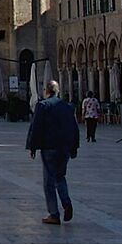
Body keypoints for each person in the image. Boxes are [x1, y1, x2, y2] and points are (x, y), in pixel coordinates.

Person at [26, 79, 79, 224]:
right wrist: (74, 147)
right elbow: (75, 128)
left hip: (49, 147)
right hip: (65, 148)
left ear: (47, 91)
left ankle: (54, 214)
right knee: (60, 177)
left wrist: (32, 146)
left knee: (49, 182)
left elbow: (36, 127)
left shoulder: (43, 106)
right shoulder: (68, 107)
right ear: (58, 91)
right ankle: (66, 202)